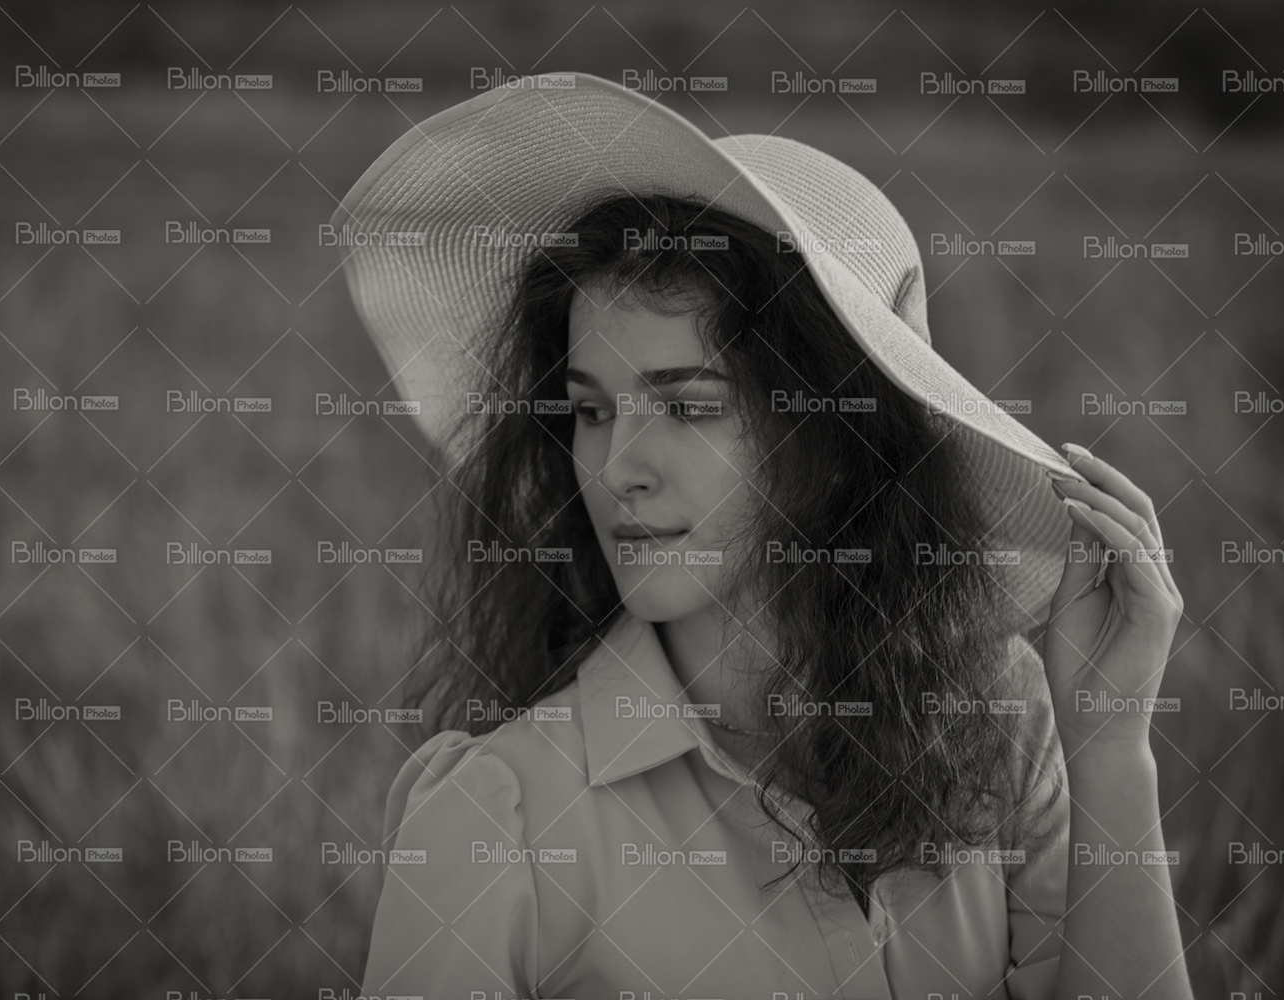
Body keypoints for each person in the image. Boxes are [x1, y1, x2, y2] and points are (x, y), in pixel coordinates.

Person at [333, 72, 1191, 1000]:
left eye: (687, 406)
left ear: (836, 436)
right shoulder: (494, 817)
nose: (617, 467)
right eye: (591, 410)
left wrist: (1111, 743)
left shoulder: (997, 720)